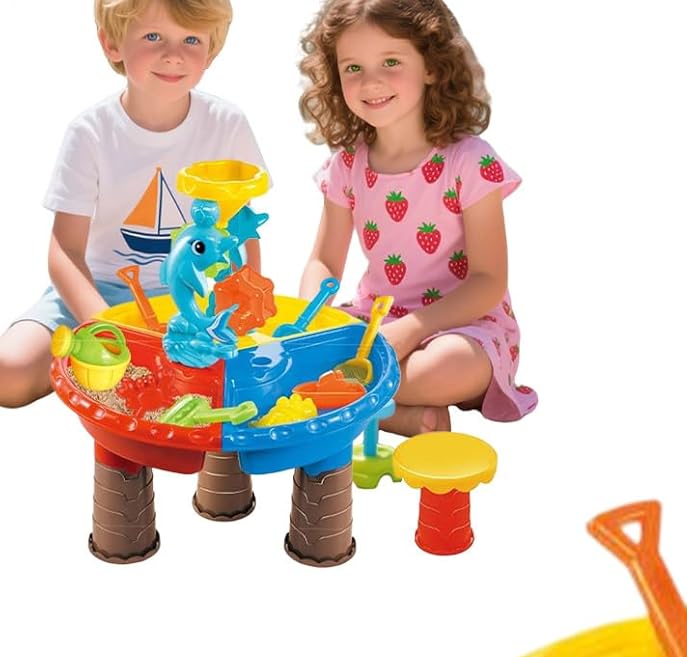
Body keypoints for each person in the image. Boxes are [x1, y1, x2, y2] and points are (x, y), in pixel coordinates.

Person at [0, 0, 263, 408]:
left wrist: (239, 309)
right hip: (93, 294)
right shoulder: (90, 132)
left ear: (211, 51)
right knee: (8, 375)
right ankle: (100, 363)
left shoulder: (227, 124)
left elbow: (242, 231)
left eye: (191, 40)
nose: (173, 55)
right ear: (112, 44)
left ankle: (116, 373)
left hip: (189, 301)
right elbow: (64, 253)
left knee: (232, 382)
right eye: (153, 36)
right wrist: (108, 328)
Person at [299, 0, 536, 436]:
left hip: (464, 328)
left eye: (391, 62)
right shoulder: (346, 165)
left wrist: (410, 331)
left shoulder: (470, 161)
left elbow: (488, 280)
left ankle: (338, 400)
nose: (371, 82)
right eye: (353, 68)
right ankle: (400, 415)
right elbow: (324, 263)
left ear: (431, 65)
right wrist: (311, 318)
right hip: (377, 320)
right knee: (297, 354)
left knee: (445, 368)